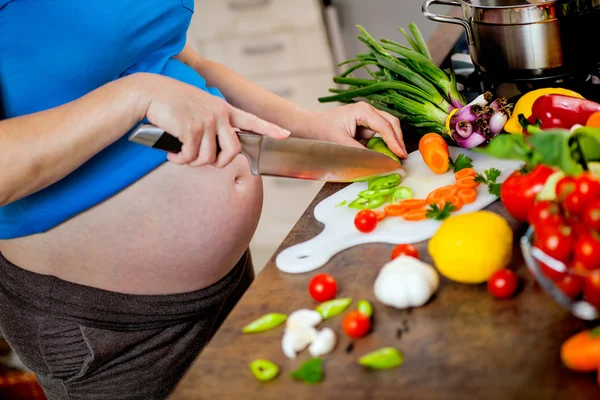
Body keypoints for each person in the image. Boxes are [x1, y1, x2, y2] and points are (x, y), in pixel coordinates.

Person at [0, 1, 407, 399]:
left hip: (226, 278)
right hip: (111, 328)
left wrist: (307, 123)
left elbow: (174, 55)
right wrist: (136, 96)